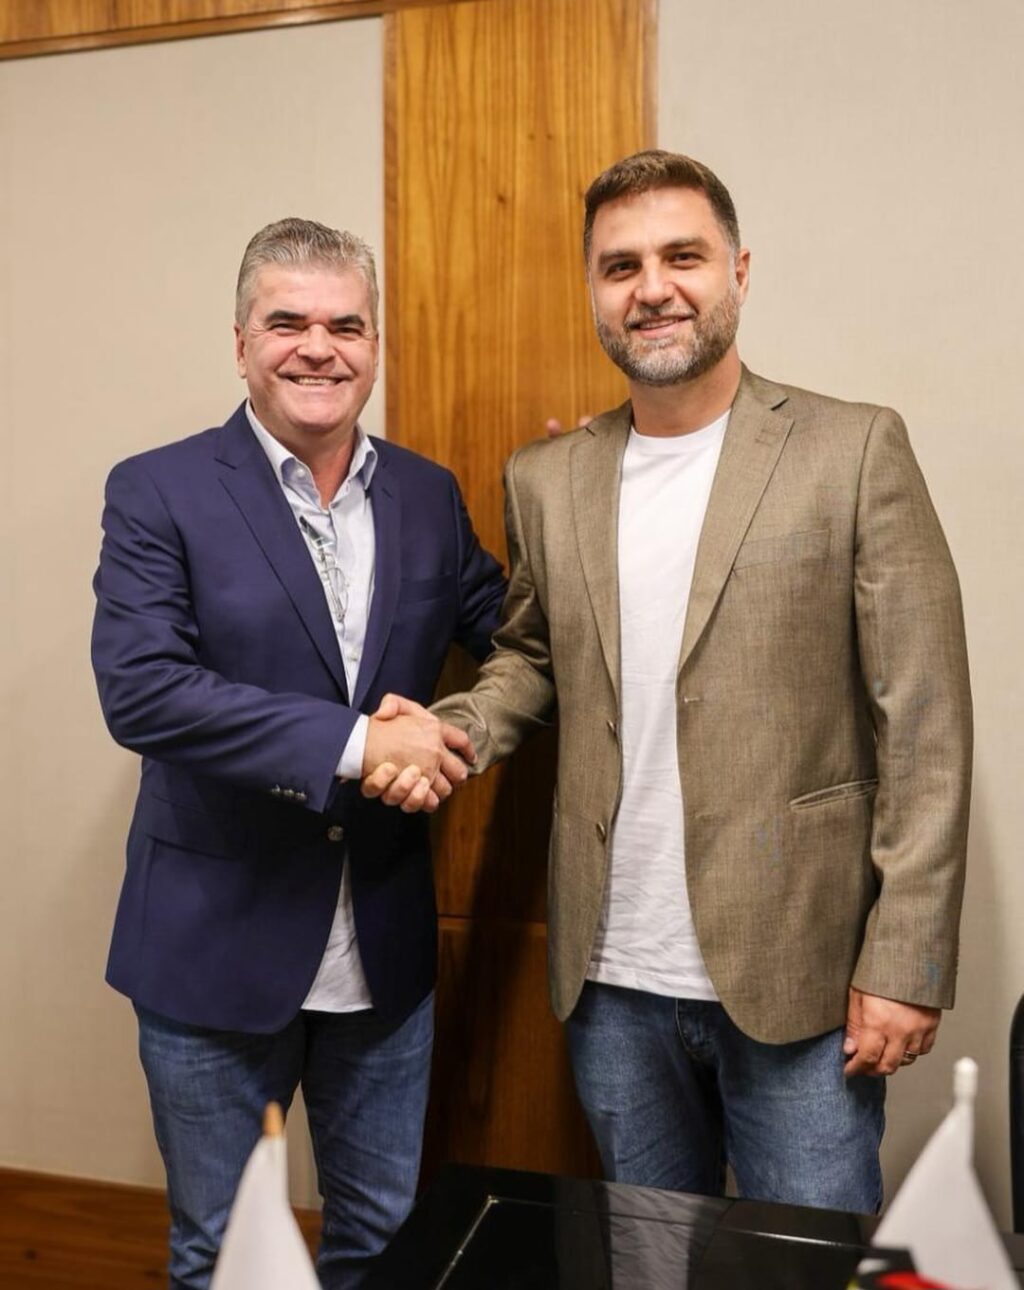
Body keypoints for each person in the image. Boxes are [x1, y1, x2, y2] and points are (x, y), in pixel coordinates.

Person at [363, 152, 973, 1212]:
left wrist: (904, 962)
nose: (652, 288)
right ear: (593, 290)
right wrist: (448, 731)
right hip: (610, 983)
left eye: (681, 257)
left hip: (802, 976)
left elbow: (924, 723)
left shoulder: (853, 448)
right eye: (621, 266)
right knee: (651, 1263)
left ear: (738, 270)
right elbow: (533, 657)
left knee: (803, 1273)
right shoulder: (545, 477)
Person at [91, 217, 505, 1289]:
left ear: (375, 346)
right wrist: (364, 743)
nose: (318, 347)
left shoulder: (425, 493)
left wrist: (452, 732)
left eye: (346, 326)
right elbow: (144, 691)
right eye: (287, 323)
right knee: (224, 1254)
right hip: (213, 950)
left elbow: (511, 634)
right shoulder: (159, 490)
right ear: (241, 343)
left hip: (384, 950)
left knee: (383, 1240)